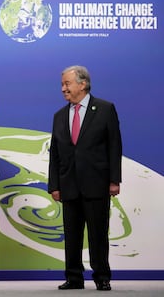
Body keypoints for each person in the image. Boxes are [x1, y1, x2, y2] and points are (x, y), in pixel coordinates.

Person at [48, 65, 122, 291]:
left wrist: (114, 180)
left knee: (98, 234)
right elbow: (56, 153)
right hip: (69, 184)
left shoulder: (105, 109)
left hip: (97, 184)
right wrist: (54, 185)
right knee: (71, 235)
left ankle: (101, 276)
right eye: (62, 84)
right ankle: (73, 277)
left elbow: (114, 147)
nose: (63, 89)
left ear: (83, 84)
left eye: (67, 84)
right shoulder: (59, 115)